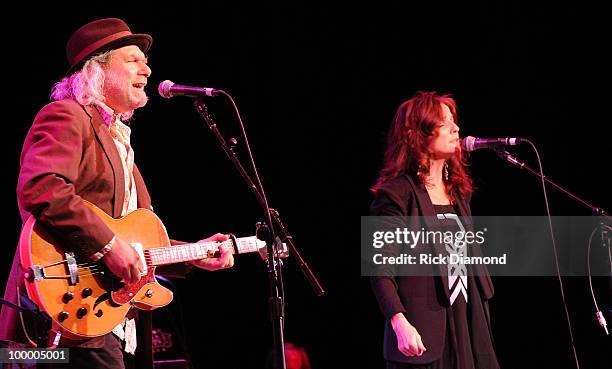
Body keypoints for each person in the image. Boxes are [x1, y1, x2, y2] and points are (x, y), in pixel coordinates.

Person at [0, 18, 235, 369]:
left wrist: (192, 254)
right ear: (97, 70)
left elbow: (133, 241)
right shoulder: (66, 115)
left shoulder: (120, 145)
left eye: (145, 60)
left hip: (108, 320)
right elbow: (42, 187)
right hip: (58, 318)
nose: (148, 68)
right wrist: (109, 247)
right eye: (133, 60)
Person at [369, 91, 500, 369]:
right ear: (420, 135)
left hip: (468, 325)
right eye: (445, 123)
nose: (456, 129)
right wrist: (399, 321)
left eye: (454, 121)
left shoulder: (459, 194)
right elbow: (380, 268)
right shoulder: (396, 195)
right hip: (424, 330)